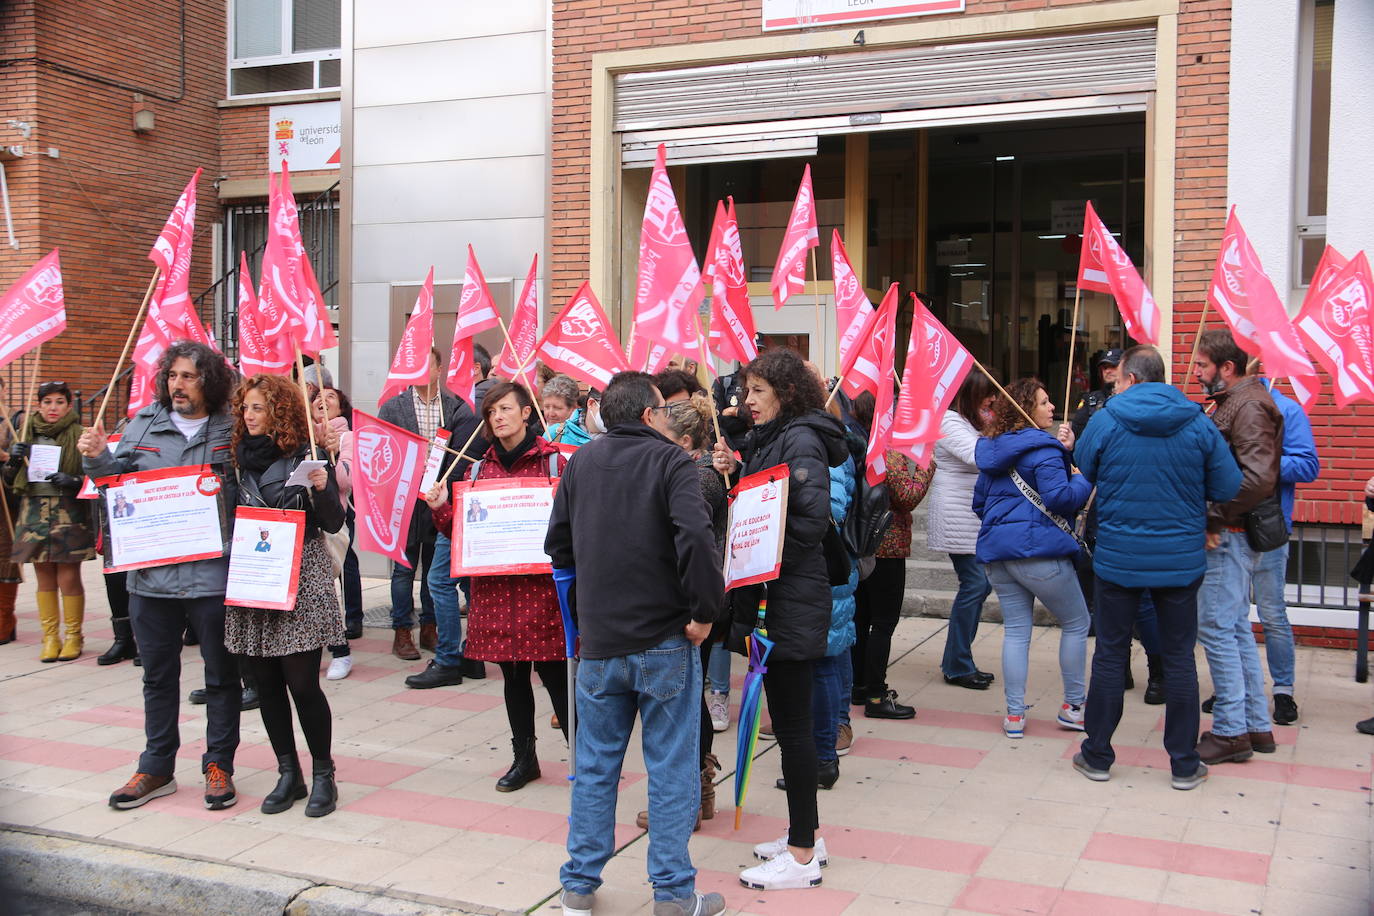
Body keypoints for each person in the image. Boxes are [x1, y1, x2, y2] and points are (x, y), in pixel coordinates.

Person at [548, 371, 725, 916]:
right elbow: (696, 539)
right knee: (670, 767)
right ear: (650, 414)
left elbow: (558, 546)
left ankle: (579, 886)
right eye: (662, 409)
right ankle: (672, 893)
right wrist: (705, 612)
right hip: (663, 638)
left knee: (595, 766)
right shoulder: (672, 461)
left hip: (602, 641)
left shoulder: (582, 462)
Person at [80, 340, 243, 811]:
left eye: (189, 376)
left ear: (209, 381)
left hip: (212, 577)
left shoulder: (231, 428)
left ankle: (219, 765)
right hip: (151, 580)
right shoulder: (143, 423)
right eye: (172, 375)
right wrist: (96, 458)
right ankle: (156, 767)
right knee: (157, 677)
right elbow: (114, 485)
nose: (178, 385)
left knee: (221, 677)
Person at [1069, 346, 1241, 789]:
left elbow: (1084, 464)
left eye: (1119, 378)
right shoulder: (1197, 421)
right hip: (1180, 561)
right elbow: (1228, 485)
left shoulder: (1107, 418)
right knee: (1180, 660)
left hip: (1119, 559)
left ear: (1130, 378)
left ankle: (1097, 755)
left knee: (1110, 655)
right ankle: (1184, 763)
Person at [712, 348, 849, 891]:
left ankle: (801, 856)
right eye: (746, 390)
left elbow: (808, 522)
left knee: (793, 728)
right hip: (777, 594)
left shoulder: (801, 439)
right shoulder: (775, 437)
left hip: (788, 599)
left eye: (758, 391)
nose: (746, 400)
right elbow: (769, 501)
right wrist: (737, 476)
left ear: (786, 394)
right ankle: (805, 835)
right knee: (791, 724)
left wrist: (757, 554)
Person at [429, 381, 568, 788]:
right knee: (512, 678)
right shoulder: (477, 470)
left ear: (526, 413)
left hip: (543, 594)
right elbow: (462, 533)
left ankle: (587, 760)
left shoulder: (555, 465)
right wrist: (441, 509)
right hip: (496, 595)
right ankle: (524, 759)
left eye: (505, 409)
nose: (497, 417)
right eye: (491, 412)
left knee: (557, 678)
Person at [224, 374, 346, 817]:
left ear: (279, 412)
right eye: (245, 408)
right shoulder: (236, 459)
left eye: (258, 407)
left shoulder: (307, 454)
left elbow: (333, 521)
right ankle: (288, 772)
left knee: (302, 683)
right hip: (255, 573)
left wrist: (323, 486)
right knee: (266, 684)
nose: (249, 416)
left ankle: (323, 774)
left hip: (300, 574)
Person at [974, 377, 1092, 739]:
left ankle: (1014, 715)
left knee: (1016, 631)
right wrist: (1082, 480)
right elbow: (1060, 498)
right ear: (1026, 409)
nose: (1052, 407)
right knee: (1077, 622)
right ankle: (1074, 707)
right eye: (1044, 402)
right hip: (1041, 553)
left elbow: (979, 503)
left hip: (999, 554)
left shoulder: (993, 448)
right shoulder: (1044, 449)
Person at [1201, 361, 1318, 726]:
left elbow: (1308, 465)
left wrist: (1259, 459)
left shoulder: (1287, 409)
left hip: (1266, 529)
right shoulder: (1222, 408)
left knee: (1271, 612)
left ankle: (1283, 690)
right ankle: (1234, 690)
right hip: (1231, 528)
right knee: (1231, 615)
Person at [634, 393, 729, 832]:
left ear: (686, 441)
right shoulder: (693, 471)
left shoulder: (700, 478)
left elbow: (688, 543)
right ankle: (698, 792)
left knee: (686, 704)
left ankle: (690, 795)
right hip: (692, 599)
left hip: (695, 603)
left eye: (662, 437)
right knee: (688, 699)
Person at [1192, 329, 1283, 765]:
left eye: (1202, 365)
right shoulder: (1237, 401)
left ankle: (1230, 731)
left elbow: (1258, 478)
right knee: (1232, 628)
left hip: (1229, 533)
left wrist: (1213, 515)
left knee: (1215, 627)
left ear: (1227, 367)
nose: (1196, 372)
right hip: (1231, 531)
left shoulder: (1247, 406)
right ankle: (1254, 725)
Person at [378, 347, 468, 661]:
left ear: (439, 369)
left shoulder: (453, 407)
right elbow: (382, 452)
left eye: (426, 364)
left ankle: (431, 626)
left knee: (434, 568)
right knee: (403, 570)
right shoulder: (394, 407)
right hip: (404, 499)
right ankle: (402, 630)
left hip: (437, 498)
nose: (419, 370)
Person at [850, 390, 932, 717]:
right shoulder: (885, 449)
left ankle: (858, 685)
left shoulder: (855, 443)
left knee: (861, 619)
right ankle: (876, 694)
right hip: (886, 546)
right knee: (882, 623)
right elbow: (907, 496)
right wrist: (926, 464)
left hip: (859, 543)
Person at [4, 380, 94, 662]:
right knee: (43, 576)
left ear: (68, 405)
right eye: (47, 402)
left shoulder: (81, 435)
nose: (53, 408)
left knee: (68, 576)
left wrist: (74, 480)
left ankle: (74, 636)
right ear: (39, 405)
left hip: (69, 514)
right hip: (34, 513)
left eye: (59, 402)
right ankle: (50, 637)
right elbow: (9, 481)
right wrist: (14, 460)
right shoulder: (25, 434)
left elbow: (96, 476)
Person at [406, 385, 486, 690]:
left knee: (440, 581)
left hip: (458, 508)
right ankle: (472, 654)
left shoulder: (472, 410)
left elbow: (458, 465)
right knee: (468, 583)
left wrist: (439, 498)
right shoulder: (468, 408)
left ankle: (449, 659)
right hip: (467, 507)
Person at [929, 371, 997, 690]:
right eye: (986, 394)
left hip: (972, 516)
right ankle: (957, 664)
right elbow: (978, 456)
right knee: (976, 583)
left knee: (979, 586)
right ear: (969, 395)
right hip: (957, 515)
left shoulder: (973, 422)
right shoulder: (950, 421)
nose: (992, 400)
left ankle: (960, 659)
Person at [312, 386, 364, 680]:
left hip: (334, 520)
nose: (323, 400)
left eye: (330, 397)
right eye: (317, 398)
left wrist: (329, 453)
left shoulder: (348, 438)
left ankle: (340, 649)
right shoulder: (303, 432)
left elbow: (345, 481)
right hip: (305, 520)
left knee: (329, 583)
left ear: (341, 408)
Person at [0, 376, 23, 646]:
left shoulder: (17, 420)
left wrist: (6, 456)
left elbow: (28, 459)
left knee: (6, 556)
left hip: (7, 498)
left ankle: (5, 618)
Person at [544, 375, 592, 447]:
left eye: (557, 408)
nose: (551, 414)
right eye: (547, 407)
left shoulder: (588, 433)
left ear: (574, 407)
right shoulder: (535, 432)